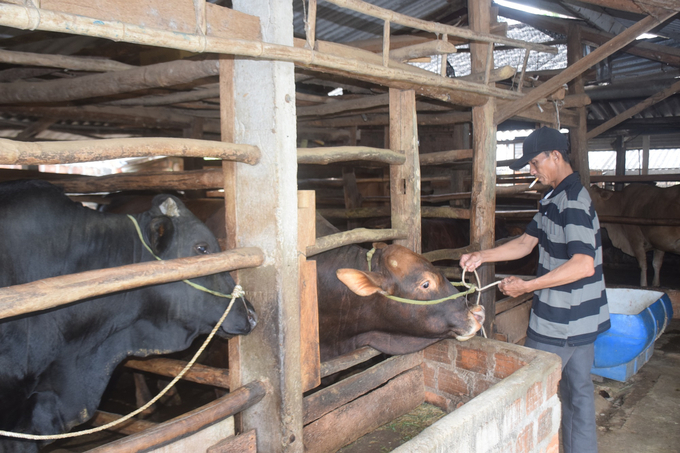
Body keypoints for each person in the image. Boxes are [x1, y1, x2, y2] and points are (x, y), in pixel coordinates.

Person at [460, 126, 610, 453]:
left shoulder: (571, 201)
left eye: (534, 162)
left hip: (560, 322)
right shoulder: (554, 198)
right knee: (577, 395)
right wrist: (480, 256)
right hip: (582, 320)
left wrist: (530, 285)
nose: (532, 170)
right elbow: (526, 244)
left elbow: (583, 264)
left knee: (530, 395)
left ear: (556, 156)